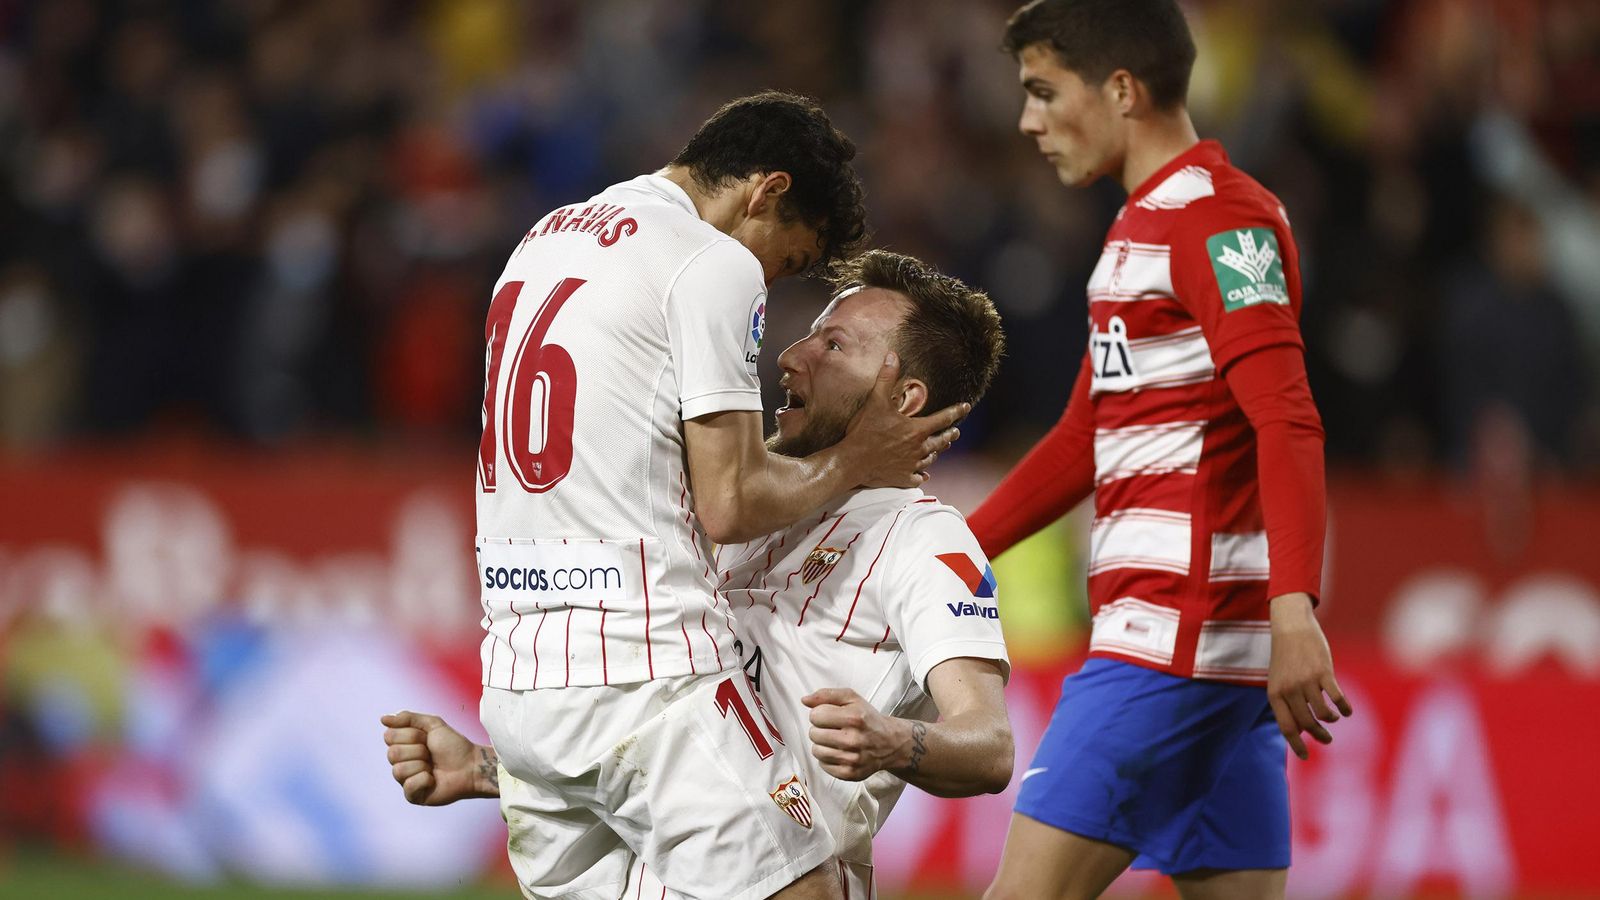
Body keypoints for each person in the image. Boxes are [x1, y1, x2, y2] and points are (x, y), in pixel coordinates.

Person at [387, 250, 1012, 899]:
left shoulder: (925, 541)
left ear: (904, 397)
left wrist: (891, 741)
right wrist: (488, 771)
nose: (792, 357)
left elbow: (988, 744)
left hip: (791, 879)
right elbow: (678, 743)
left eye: (834, 344)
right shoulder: (751, 518)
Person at [470, 92, 971, 900]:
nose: (771, 283)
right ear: (766, 193)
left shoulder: (543, 237)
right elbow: (731, 502)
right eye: (789, 260)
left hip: (515, 674)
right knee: (812, 885)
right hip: (644, 668)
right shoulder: (711, 260)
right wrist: (856, 460)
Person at [968, 3, 1351, 899]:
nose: (1028, 120)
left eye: (1042, 91)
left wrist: (1295, 612)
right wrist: (954, 551)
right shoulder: (1141, 227)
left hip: (1168, 651)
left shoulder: (1221, 222)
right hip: (1217, 666)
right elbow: (1086, 438)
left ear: (1122, 90)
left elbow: (1286, 420)